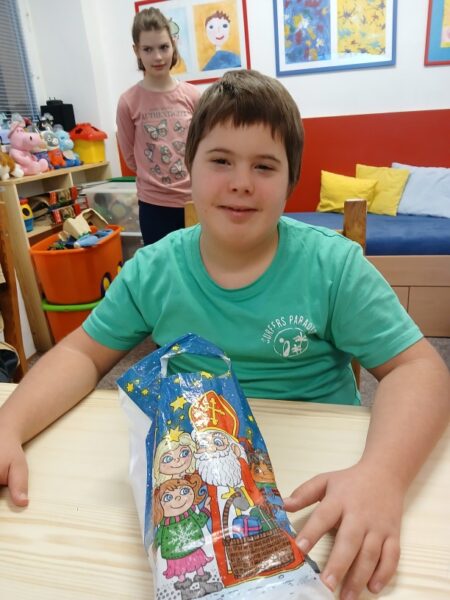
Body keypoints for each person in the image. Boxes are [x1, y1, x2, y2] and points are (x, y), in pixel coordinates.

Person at [0, 70, 448, 600]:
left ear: (291, 181)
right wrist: (10, 423)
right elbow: (81, 352)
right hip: (197, 477)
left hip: (318, 486)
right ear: (188, 169)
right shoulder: (154, 269)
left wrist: (383, 476)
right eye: (220, 161)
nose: (241, 182)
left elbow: (419, 369)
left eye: (264, 166)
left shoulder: (334, 267)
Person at [116, 7, 201, 245]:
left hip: (195, 200)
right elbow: (130, 157)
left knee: (199, 262)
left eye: (163, 47)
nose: (158, 57)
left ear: (173, 44)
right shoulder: (128, 102)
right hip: (154, 205)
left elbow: (204, 147)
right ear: (136, 51)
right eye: (148, 49)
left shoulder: (193, 96)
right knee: (161, 265)